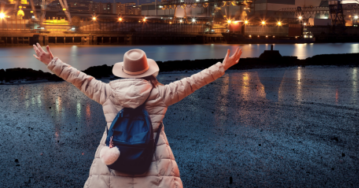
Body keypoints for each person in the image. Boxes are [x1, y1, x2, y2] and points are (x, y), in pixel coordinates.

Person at [33, 43, 242, 188]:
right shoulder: (160, 94)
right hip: (154, 164)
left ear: (123, 71)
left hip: (113, 161)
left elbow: (80, 79)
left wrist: (51, 62)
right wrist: (222, 66)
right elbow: (192, 82)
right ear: (149, 72)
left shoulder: (106, 92)